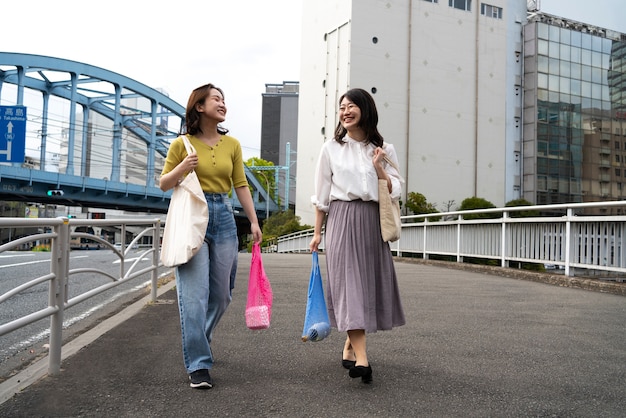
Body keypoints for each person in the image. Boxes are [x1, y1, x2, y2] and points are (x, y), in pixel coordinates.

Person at [160, 83, 262, 389]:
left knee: (221, 295)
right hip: (193, 215)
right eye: (216, 99)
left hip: (224, 217)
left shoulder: (232, 144)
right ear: (200, 106)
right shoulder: (182, 144)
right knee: (194, 297)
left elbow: (240, 184)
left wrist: (254, 222)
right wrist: (182, 167)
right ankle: (199, 365)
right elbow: (164, 183)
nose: (223, 103)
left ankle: (198, 341)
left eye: (224, 100)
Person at [309, 88, 406, 384]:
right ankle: (363, 359)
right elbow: (322, 195)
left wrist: (379, 168)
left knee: (365, 286)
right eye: (342, 107)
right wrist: (316, 234)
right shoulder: (331, 148)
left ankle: (351, 344)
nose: (345, 111)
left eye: (351, 106)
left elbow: (397, 189)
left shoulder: (384, 149)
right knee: (348, 286)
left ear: (365, 109)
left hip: (372, 221)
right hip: (340, 218)